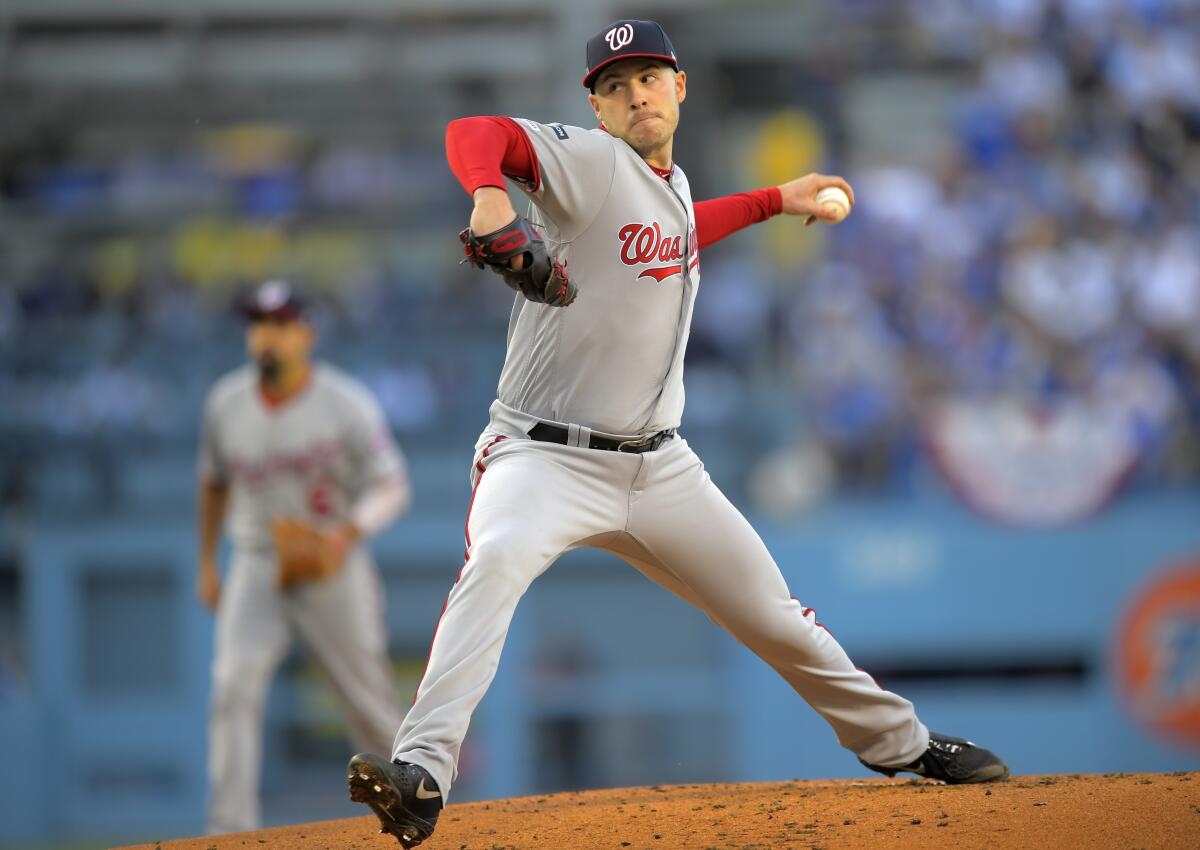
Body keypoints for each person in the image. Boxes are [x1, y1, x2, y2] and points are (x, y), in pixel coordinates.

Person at [347, 20, 1008, 848]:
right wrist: (489, 194)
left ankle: (905, 746)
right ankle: (421, 776)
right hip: (542, 455)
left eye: (649, 78)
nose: (636, 95)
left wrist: (777, 199)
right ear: (594, 106)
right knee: (497, 564)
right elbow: (475, 133)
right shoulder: (590, 163)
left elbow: (684, 227)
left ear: (680, 86)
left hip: (661, 468)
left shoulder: (666, 184)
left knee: (775, 616)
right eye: (615, 86)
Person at [198, 280, 410, 833]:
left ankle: (405, 817)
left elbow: (393, 486)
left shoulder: (346, 403)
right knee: (231, 689)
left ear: (306, 333)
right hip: (257, 561)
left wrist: (347, 532)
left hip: (330, 560)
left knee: (367, 701)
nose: (266, 336)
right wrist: (206, 563)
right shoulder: (225, 402)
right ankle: (229, 831)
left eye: (280, 324)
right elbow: (213, 484)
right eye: (259, 324)